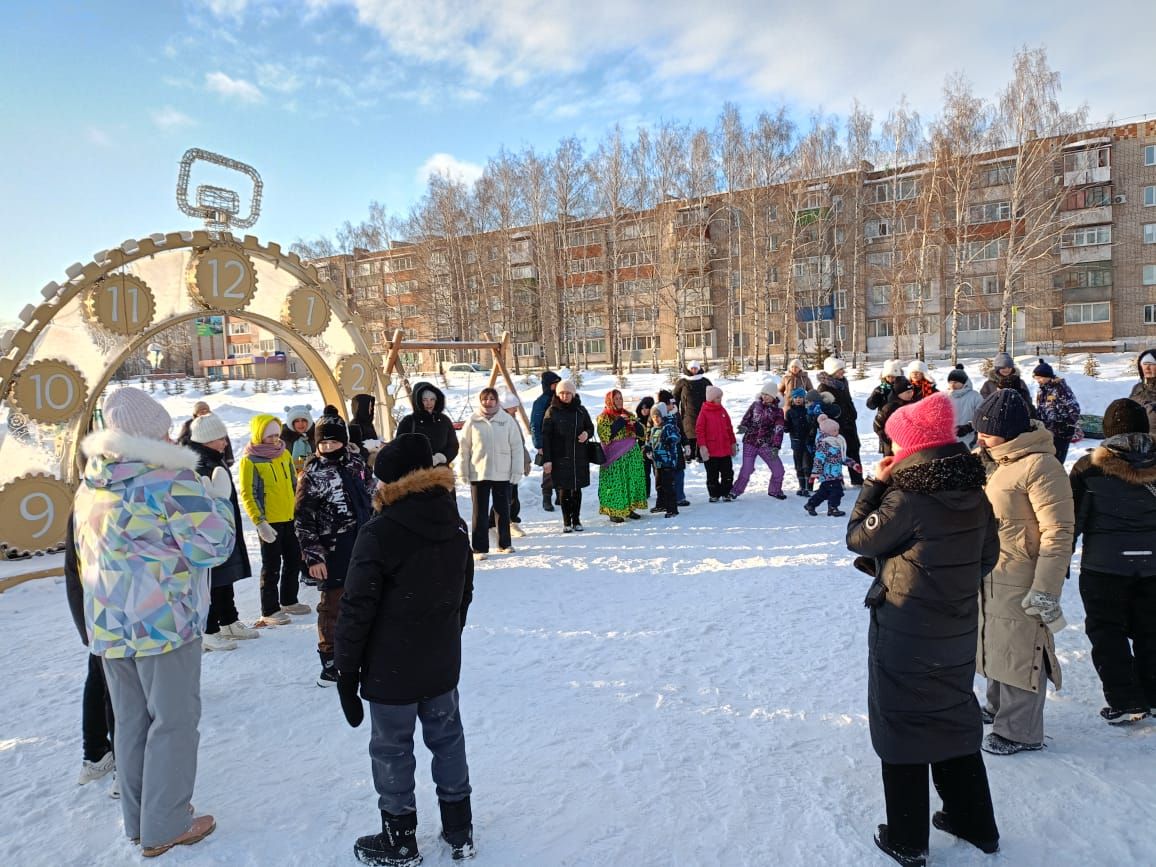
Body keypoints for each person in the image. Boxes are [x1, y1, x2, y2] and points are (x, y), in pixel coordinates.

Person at [72, 387, 235, 857]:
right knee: (174, 721)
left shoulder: (90, 484)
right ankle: (166, 824)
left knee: (130, 721)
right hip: (163, 621)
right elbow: (213, 547)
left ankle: (140, 820)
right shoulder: (170, 479)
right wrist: (218, 503)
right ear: (148, 432)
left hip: (108, 624)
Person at [847, 391, 1001, 866]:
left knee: (902, 723)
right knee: (952, 714)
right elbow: (987, 558)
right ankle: (975, 823)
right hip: (954, 626)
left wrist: (875, 483)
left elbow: (858, 536)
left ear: (910, 446)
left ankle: (907, 839)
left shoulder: (907, 496)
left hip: (905, 629)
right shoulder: (974, 491)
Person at [336, 434, 475, 866]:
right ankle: (459, 831)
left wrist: (346, 671)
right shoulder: (454, 525)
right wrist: (446, 640)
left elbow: (356, 609)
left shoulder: (379, 533)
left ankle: (400, 839)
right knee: (448, 741)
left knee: (392, 749)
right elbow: (463, 594)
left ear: (392, 483)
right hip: (439, 663)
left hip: (390, 668)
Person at [973, 389, 1074, 755]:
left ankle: (1020, 730)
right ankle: (999, 709)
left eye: (987, 431)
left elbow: (1059, 531)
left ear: (1011, 431)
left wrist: (1046, 587)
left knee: (1020, 649)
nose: (980, 437)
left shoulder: (1040, 466)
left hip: (1023, 572)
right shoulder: (996, 460)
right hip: (993, 569)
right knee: (994, 641)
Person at [1069, 398, 1156, 724]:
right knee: (1151, 629)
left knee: (1107, 631)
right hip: (1153, 564)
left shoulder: (1089, 468)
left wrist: (1061, 559)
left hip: (1105, 565)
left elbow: (1072, 519)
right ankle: (1153, 693)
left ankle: (1125, 699)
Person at [295, 413, 374, 686]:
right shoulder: (312, 475)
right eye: (322, 444)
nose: (327, 448)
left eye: (333, 443)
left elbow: (373, 494)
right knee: (333, 605)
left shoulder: (357, 465)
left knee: (365, 598)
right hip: (332, 549)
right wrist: (313, 556)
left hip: (362, 542)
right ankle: (330, 660)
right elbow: (303, 520)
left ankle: (360, 653)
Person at [187, 413, 258, 651]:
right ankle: (209, 629)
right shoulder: (198, 464)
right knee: (210, 580)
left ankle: (229, 620)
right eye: (221, 438)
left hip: (223, 527)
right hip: (207, 533)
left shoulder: (214, 460)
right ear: (207, 440)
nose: (225, 443)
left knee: (224, 577)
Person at [238, 414, 311, 627]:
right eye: (269, 436)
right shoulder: (250, 460)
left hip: (289, 517)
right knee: (271, 566)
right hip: (269, 522)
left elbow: (294, 485)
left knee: (293, 560)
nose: (274, 440)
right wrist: (260, 523)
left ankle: (289, 600)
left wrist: (299, 511)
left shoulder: (284, 453)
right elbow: (248, 493)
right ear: (259, 434)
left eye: (277, 435)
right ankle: (269, 609)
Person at [65, 514, 117, 793]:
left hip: (96, 609)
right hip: (117, 612)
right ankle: (124, 767)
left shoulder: (85, 497)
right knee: (120, 690)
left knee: (99, 678)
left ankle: (96, 754)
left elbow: (72, 568)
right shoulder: (109, 495)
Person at [459, 387, 525, 558]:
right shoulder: (473, 421)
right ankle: (479, 548)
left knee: (502, 510)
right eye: (485, 399)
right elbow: (464, 448)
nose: (488, 402)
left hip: (502, 473)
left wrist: (517, 470)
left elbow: (517, 447)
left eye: (492, 399)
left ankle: (505, 544)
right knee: (479, 512)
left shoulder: (506, 420)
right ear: (480, 400)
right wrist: (463, 470)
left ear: (497, 401)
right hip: (479, 472)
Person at [541, 379, 594, 532]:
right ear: (558, 394)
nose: (564, 396)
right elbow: (546, 437)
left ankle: (576, 519)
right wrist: (547, 460)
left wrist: (586, 434)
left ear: (573, 394)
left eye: (567, 393)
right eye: (562, 393)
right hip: (560, 456)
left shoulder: (581, 410)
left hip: (579, 456)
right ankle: (566, 521)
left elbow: (590, 428)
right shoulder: (552, 411)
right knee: (564, 489)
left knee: (577, 489)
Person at [597, 389, 649, 522]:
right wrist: (619, 423)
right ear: (610, 401)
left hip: (631, 455)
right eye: (616, 399)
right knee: (615, 483)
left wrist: (636, 426)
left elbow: (643, 433)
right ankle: (613, 511)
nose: (619, 401)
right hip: (614, 457)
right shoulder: (604, 417)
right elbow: (605, 437)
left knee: (630, 481)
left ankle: (629, 508)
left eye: (620, 398)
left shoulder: (629, 414)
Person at [731, 379, 786, 499]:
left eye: (768, 395)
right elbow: (747, 418)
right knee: (747, 469)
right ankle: (735, 491)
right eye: (763, 394)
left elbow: (779, 430)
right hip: (750, 441)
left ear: (773, 396)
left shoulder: (778, 411)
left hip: (767, 445)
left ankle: (775, 490)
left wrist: (776, 446)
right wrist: (743, 426)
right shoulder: (755, 405)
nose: (765, 397)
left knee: (779, 470)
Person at [489, 391, 530, 538]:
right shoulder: (499, 421)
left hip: (514, 463)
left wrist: (525, 460)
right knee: (504, 495)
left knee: (512, 494)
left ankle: (510, 520)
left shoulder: (512, 419)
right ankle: (497, 522)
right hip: (502, 464)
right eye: (514, 407)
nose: (516, 410)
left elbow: (520, 443)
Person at [817, 357, 863, 485]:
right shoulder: (824, 387)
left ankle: (857, 479)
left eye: (842, 369)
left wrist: (852, 412)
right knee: (836, 452)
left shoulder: (843, 383)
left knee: (853, 449)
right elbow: (822, 408)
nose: (842, 372)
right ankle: (836, 479)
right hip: (835, 425)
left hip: (849, 422)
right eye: (840, 370)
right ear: (832, 371)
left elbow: (848, 400)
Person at [805, 414, 860, 517]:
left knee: (824, 493)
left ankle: (811, 504)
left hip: (835, 473)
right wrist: (814, 474)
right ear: (827, 432)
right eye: (834, 431)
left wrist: (853, 465)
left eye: (837, 430)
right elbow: (818, 460)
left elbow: (842, 458)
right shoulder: (824, 445)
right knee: (837, 491)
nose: (837, 432)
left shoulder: (836, 442)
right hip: (828, 474)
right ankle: (833, 508)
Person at [396, 381, 459, 468]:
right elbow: (400, 447)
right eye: (424, 400)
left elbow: (453, 445)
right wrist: (420, 460)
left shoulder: (444, 420)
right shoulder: (408, 421)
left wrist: (440, 458)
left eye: (432, 399)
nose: (429, 403)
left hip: (441, 474)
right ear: (417, 400)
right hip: (415, 474)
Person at [1032, 359, 1081, 462]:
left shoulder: (1060, 389)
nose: (1038, 380)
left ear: (1047, 376)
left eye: (1040, 377)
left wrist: (1066, 425)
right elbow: (1041, 408)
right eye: (1036, 378)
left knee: (1057, 462)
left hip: (1061, 433)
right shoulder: (1042, 390)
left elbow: (1074, 409)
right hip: (1047, 431)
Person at [696, 385, 738, 503]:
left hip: (724, 449)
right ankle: (714, 494)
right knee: (712, 474)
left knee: (727, 473)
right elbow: (700, 430)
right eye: (718, 397)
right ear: (711, 399)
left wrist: (733, 442)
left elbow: (729, 428)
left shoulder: (722, 410)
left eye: (721, 397)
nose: (720, 399)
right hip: (711, 451)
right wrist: (703, 446)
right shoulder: (704, 412)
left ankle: (726, 492)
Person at [530, 370, 562, 511]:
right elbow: (535, 425)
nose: (557, 386)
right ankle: (546, 497)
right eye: (555, 384)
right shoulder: (540, 402)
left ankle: (560, 495)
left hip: (560, 440)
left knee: (561, 467)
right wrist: (538, 444)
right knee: (548, 471)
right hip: (546, 441)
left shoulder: (561, 398)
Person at [657, 388, 691, 507]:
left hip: (676, 450)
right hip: (663, 451)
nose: (673, 405)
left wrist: (686, 444)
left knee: (679, 472)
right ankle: (665, 499)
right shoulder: (657, 415)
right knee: (665, 476)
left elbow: (681, 430)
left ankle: (680, 496)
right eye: (670, 403)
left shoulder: (676, 414)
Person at [648, 403, 682, 517]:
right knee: (659, 485)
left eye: (658, 416)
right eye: (653, 417)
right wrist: (647, 448)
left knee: (668, 486)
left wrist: (669, 440)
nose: (656, 419)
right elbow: (651, 442)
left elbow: (676, 436)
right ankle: (661, 504)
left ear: (663, 416)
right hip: (657, 463)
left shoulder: (668, 427)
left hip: (668, 461)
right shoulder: (653, 429)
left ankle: (672, 508)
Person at [672, 360, 712, 458]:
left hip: (703, 412)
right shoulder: (682, 382)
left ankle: (700, 454)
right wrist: (674, 409)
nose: (694, 370)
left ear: (699, 369)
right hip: (687, 413)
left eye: (696, 368)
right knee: (689, 432)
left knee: (702, 432)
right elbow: (675, 397)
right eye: (692, 368)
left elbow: (712, 395)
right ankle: (689, 453)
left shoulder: (705, 381)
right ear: (689, 369)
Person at [176, 400, 234, 465]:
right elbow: (181, 440)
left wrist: (229, 458)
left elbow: (225, 439)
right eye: (202, 411)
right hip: (200, 456)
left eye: (206, 410)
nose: (204, 412)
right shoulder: (188, 424)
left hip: (219, 455)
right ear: (196, 413)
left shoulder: (214, 421)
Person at [873, 376, 915, 458]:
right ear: (899, 394)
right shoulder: (889, 408)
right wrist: (889, 440)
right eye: (907, 392)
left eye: (911, 391)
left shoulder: (913, 405)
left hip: (909, 447)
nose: (911, 394)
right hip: (892, 449)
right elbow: (877, 425)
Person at [945, 365, 984, 450]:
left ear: (964, 383)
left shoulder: (975, 396)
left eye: (956, 382)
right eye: (950, 382)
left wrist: (969, 427)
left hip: (969, 436)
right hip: (949, 437)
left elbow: (982, 416)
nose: (952, 385)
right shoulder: (945, 396)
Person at [784, 388, 811, 496]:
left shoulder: (808, 410)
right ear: (792, 399)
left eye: (800, 397)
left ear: (804, 398)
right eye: (796, 397)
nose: (798, 399)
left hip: (807, 442)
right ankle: (801, 486)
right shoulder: (790, 412)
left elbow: (812, 425)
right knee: (798, 465)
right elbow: (788, 427)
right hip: (796, 442)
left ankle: (808, 487)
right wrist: (785, 426)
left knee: (807, 465)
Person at [281, 405, 315, 474]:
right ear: (291, 423)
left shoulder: (315, 435)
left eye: (304, 420)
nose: (301, 424)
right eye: (297, 421)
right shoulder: (284, 439)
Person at [1129, 348, 1156, 433]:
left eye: (1151, 364)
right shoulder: (1137, 388)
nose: (1147, 368)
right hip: (1137, 439)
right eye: (1144, 364)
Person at [635, 396, 656, 500]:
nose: (644, 410)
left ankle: (661, 492)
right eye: (642, 408)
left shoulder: (655, 419)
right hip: (642, 449)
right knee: (644, 473)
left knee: (658, 472)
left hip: (654, 449)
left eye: (647, 408)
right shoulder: (637, 421)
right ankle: (645, 492)